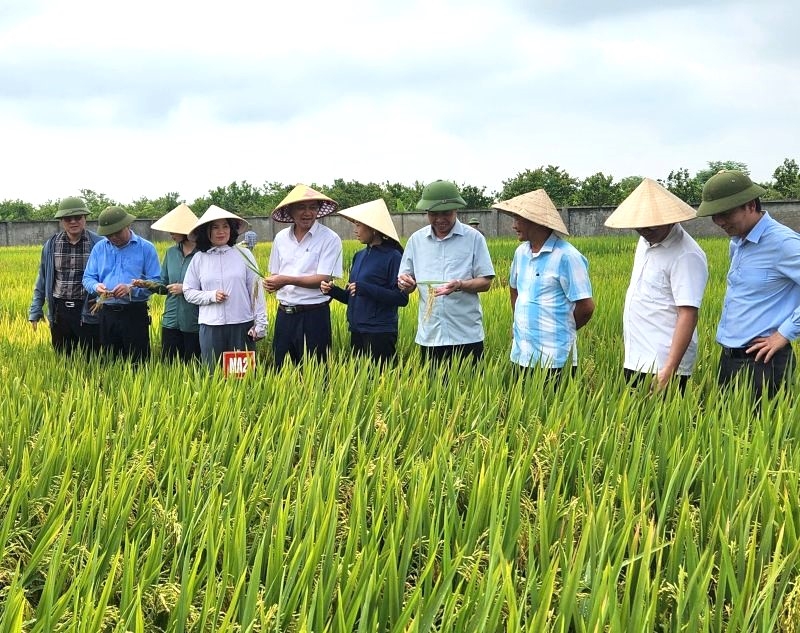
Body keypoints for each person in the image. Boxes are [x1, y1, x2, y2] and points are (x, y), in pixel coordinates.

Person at [697, 169, 800, 398]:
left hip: (765, 361)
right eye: (714, 215)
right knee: (724, 429)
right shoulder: (737, 242)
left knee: (761, 431)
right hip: (730, 358)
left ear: (750, 205)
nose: (719, 222)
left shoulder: (783, 243)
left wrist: (784, 333)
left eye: (725, 213)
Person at [604, 178, 708, 391]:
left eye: (650, 225)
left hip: (663, 364)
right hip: (636, 357)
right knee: (636, 421)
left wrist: (668, 370)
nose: (643, 230)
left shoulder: (686, 254)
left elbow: (688, 313)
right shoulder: (645, 241)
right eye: (639, 225)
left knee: (662, 424)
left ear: (669, 218)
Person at [494, 189, 594, 377]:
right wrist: (519, 323)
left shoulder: (567, 256)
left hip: (555, 357)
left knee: (554, 405)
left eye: (518, 219)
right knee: (524, 404)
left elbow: (586, 307)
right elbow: (514, 289)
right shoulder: (521, 253)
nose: (514, 226)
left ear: (536, 221)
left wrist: (562, 328)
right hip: (521, 353)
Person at [397, 180, 495, 363]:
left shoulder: (474, 238)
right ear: (427, 213)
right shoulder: (416, 241)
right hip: (431, 334)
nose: (440, 219)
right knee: (434, 390)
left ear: (456, 210)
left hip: (466, 334)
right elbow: (405, 281)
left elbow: (486, 282)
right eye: (434, 214)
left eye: (446, 213)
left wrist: (460, 285)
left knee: (471, 389)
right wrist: (406, 284)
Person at [264, 184, 342, 368]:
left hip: (314, 315)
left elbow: (324, 278)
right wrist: (271, 283)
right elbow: (275, 273)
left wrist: (285, 280)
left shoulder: (330, 238)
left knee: (316, 373)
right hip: (284, 315)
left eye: (313, 207)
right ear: (290, 211)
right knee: (281, 371)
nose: (308, 213)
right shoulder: (281, 238)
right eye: (301, 207)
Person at [321, 199, 408, 363]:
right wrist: (332, 290)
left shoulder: (393, 257)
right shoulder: (359, 256)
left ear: (373, 229)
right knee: (361, 383)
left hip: (380, 333)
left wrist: (366, 288)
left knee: (382, 382)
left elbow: (401, 298)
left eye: (358, 225)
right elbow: (352, 296)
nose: (355, 230)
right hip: (357, 330)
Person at [183, 205, 267, 369]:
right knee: (214, 376)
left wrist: (261, 323)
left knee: (242, 377)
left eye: (225, 226)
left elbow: (256, 291)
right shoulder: (199, 258)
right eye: (215, 227)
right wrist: (211, 296)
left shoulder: (244, 254)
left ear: (231, 229)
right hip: (211, 327)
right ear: (206, 231)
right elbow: (188, 292)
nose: (221, 231)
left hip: (241, 325)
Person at [82, 206, 161, 362]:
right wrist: (96, 287)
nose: (113, 238)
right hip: (107, 313)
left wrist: (131, 289)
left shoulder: (146, 248)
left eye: (117, 233)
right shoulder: (99, 248)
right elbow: (88, 277)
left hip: (134, 314)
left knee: (138, 362)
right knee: (110, 362)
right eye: (109, 235)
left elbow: (157, 282)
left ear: (128, 226)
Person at [28, 196, 102, 355]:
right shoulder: (51, 245)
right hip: (59, 311)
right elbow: (42, 279)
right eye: (68, 218)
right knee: (63, 359)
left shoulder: (98, 244)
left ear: (85, 219)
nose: (73, 222)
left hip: (89, 309)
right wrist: (35, 310)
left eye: (78, 217)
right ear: (62, 221)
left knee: (93, 359)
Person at [133, 203, 201, 362]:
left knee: (195, 366)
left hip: (194, 321)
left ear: (187, 230)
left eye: (174, 229)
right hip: (170, 319)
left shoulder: (204, 254)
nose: (171, 234)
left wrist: (185, 289)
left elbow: (212, 288)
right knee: (169, 367)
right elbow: (164, 286)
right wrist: (147, 284)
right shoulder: (171, 253)